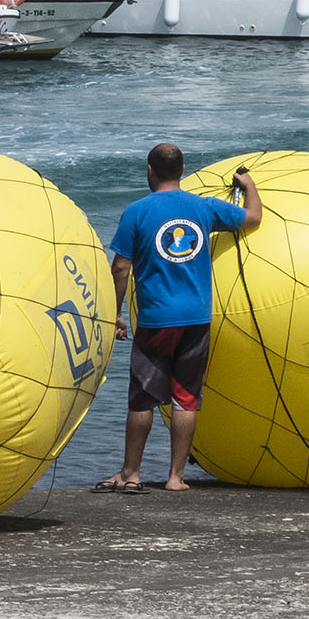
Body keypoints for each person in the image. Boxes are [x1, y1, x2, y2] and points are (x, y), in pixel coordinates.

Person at [96, 144, 260, 493]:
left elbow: (121, 267)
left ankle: (131, 474)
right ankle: (175, 478)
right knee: (186, 397)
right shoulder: (203, 207)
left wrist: (116, 314)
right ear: (182, 169)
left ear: (150, 171)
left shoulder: (137, 212)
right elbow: (252, 218)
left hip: (156, 320)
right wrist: (248, 186)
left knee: (142, 398)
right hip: (196, 318)